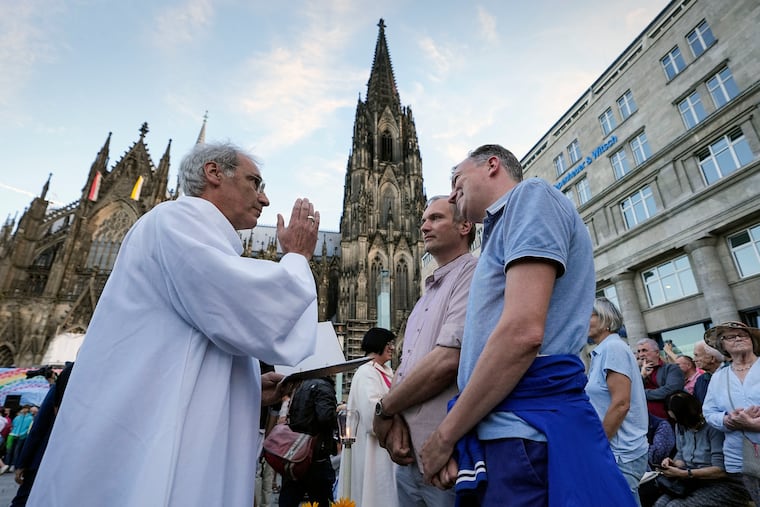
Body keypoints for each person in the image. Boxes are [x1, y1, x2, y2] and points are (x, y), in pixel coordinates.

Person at [28, 141, 321, 507]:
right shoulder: (177, 221)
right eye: (255, 183)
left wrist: (247, 384)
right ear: (214, 173)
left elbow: (192, 345)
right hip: (152, 436)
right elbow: (262, 318)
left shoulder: (194, 232)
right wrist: (295, 257)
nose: (264, 199)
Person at [420, 144, 633, 506]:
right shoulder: (499, 231)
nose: (453, 195)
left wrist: (445, 435)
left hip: (525, 434)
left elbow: (522, 334)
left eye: (457, 181)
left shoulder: (529, 197)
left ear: (491, 165)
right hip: (513, 431)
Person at [372, 195, 477, 507]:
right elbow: (407, 369)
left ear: (464, 226)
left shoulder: (474, 275)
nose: (424, 226)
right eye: (423, 220)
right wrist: (398, 423)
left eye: (435, 219)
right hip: (410, 457)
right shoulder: (424, 297)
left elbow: (448, 363)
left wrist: (385, 410)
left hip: (444, 458)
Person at [585, 298, 649, 506]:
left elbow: (621, 403)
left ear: (606, 320)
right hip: (616, 449)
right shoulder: (602, 350)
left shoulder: (613, 348)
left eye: (590, 315)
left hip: (622, 452)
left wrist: (598, 444)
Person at [652, 392, 750, 507]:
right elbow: (681, 455)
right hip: (694, 481)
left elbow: (720, 470)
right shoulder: (681, 425)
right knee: (659, 504)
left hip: (723, 483)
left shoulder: (713, 427)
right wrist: (672, 464)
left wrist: (684, 473)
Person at [337, 328, 398, 507]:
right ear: (377, 344)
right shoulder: (366, 372)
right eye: (389, 344)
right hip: (374, 447)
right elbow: (372, 414)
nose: (392, 348)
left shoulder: (386, 371)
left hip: (386, 446)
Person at [703, 321, 760, 505]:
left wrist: (755, 424)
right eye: (730, 336)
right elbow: (709, 412)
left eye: (743, 335)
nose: (738, 339)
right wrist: (728, 420)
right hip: (741, 456)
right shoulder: (719, 377)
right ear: (722, 346)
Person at [10, 362, 74, 506]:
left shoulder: (69, 375)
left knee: (24, 500)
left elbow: (40, 426)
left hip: (43, 459)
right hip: (71, 463)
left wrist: (23, 463)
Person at [279, 377, 338, 507]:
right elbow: (325, 417)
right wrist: (337, 414)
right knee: (322, 501)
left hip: (294, 454)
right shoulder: (323, 386)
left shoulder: (299, 386)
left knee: (289, 499)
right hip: (316, 455)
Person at [636, 339, 684, 420]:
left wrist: (642, 394)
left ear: (657, 352)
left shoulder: (671, 369)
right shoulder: (637, 373)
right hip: (645, 422)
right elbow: (631, 392)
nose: (641, 354)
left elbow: (670, 390)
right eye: (639, 351)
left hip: (670, 419)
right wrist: (642, 376)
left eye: (644, 350)